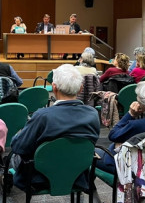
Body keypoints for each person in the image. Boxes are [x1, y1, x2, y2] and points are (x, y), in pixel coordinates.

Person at [10, 64, 100, 195]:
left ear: (54, 87)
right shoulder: (92, 114)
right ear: (81, 89)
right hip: (77, 175)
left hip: (39, 178)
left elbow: (19, 146)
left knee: (14, 156)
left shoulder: (43, 115)